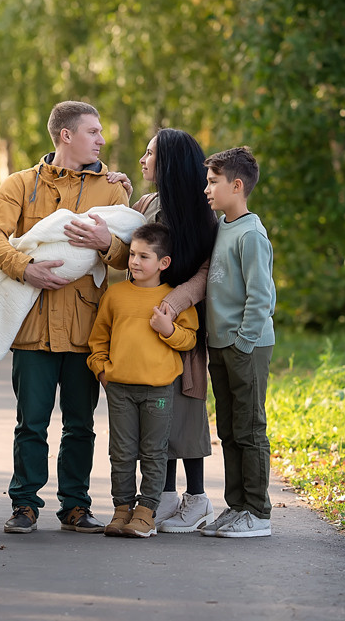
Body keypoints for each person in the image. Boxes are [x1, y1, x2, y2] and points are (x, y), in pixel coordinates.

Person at [0, 100, 129, 534]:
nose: (101, 139)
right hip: (32, 326)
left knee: (81, 424)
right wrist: (24, 268)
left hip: (86, 328)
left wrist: (105, 243)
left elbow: (131, 256)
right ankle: (24, 504)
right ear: (66, 135)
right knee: (31, 422)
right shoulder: (20, 184)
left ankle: (76, 505)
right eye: (93, 131)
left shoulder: (114, 190)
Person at [107, 128, 219, 533]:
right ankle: (166, 495)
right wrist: (124, 193)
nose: (142, 158)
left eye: (150, 153)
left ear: (169, 161)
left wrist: (172, 307)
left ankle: (198, 497)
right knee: (162, 412)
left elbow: (206, 272)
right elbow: (133, 240)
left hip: (179, 324)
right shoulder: (153, 201)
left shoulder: (199, 213)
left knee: (186, 408)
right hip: (150, 322)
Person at [88, 223, 199, 538]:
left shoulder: (172, 299)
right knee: (121, 451)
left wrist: (168, 329)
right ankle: (122, 509)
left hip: (158, 391)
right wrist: (102, 370)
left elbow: (189, 340)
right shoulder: (116, 294)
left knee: (154, 451)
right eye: (132, 254)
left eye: (143, 256)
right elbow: (98, 339)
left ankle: (146, 511)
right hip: (119, 389)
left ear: (163, 263)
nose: (134, 261)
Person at [200, 146, 277, 539]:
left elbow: (261, 297)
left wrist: (243, 343)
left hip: (245, 346)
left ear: (237, 185)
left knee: (249, 427)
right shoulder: (223, 227)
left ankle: (258, 512)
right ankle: (237, 507)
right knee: (229, 428)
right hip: (222, 346)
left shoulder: (251, 233)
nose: (207, 189)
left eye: (213, 182)